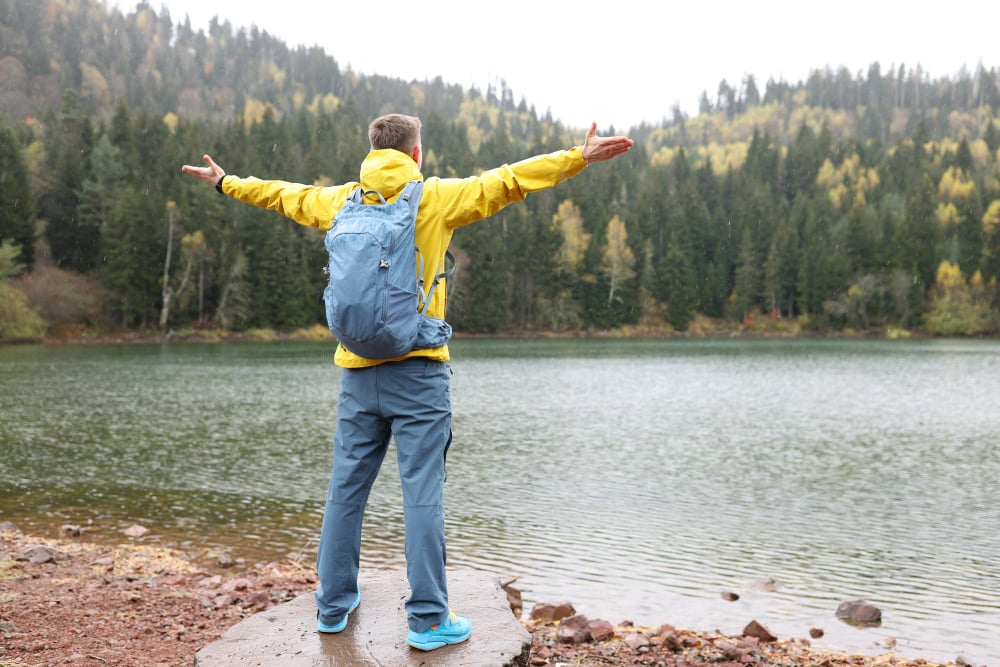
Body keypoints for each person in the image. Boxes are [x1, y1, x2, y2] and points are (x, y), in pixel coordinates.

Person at [181, 114, 633, 651]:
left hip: (357, 371)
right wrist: (576, 158)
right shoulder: (434, 198)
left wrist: (227, 182)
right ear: (415, 154)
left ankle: (332, 606)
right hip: (418, 369)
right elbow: (509, 180)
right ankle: (426, 621)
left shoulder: (341, 201)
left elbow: (284, 196)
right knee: (422, 493)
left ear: (372, 150)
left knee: (346, 491)